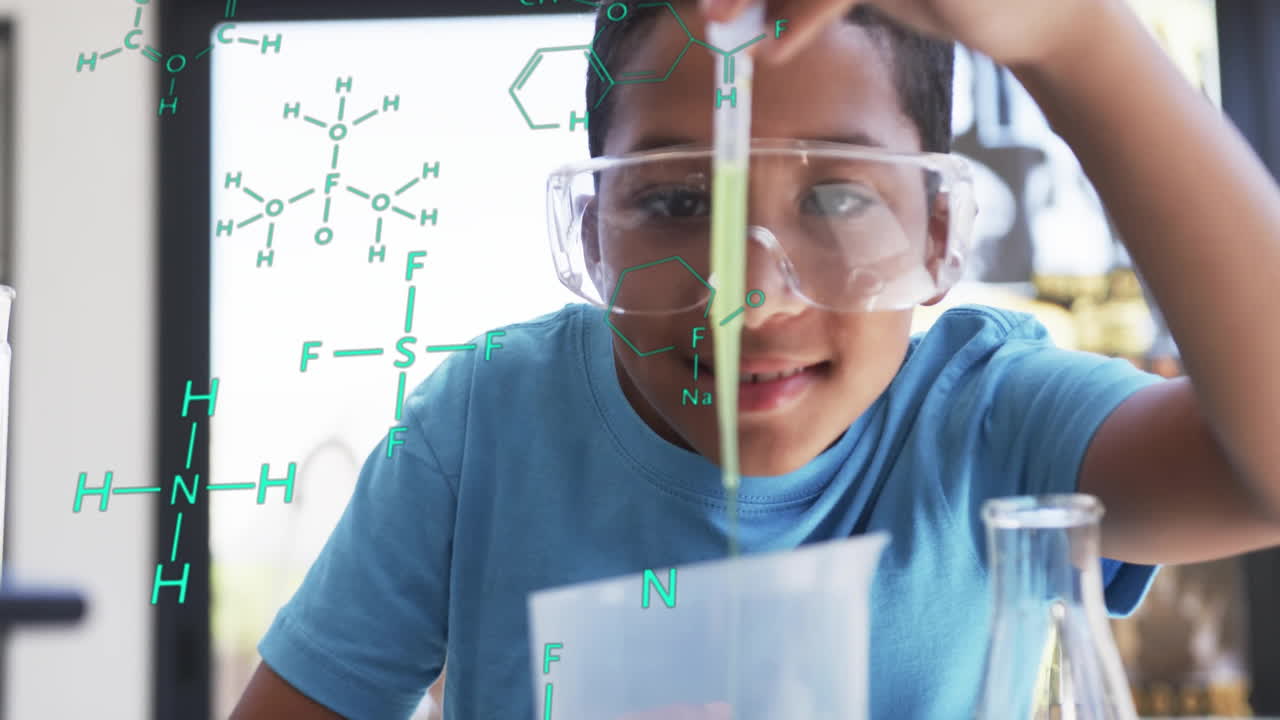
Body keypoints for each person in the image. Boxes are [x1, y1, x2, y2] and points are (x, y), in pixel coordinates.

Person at [231, 0, 1280, 717]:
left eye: (833, 196)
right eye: (677, 201)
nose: (745, 297)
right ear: (593, 232)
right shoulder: (482, 430)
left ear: (934, 229)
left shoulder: (985, 419)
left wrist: (1075, 39)